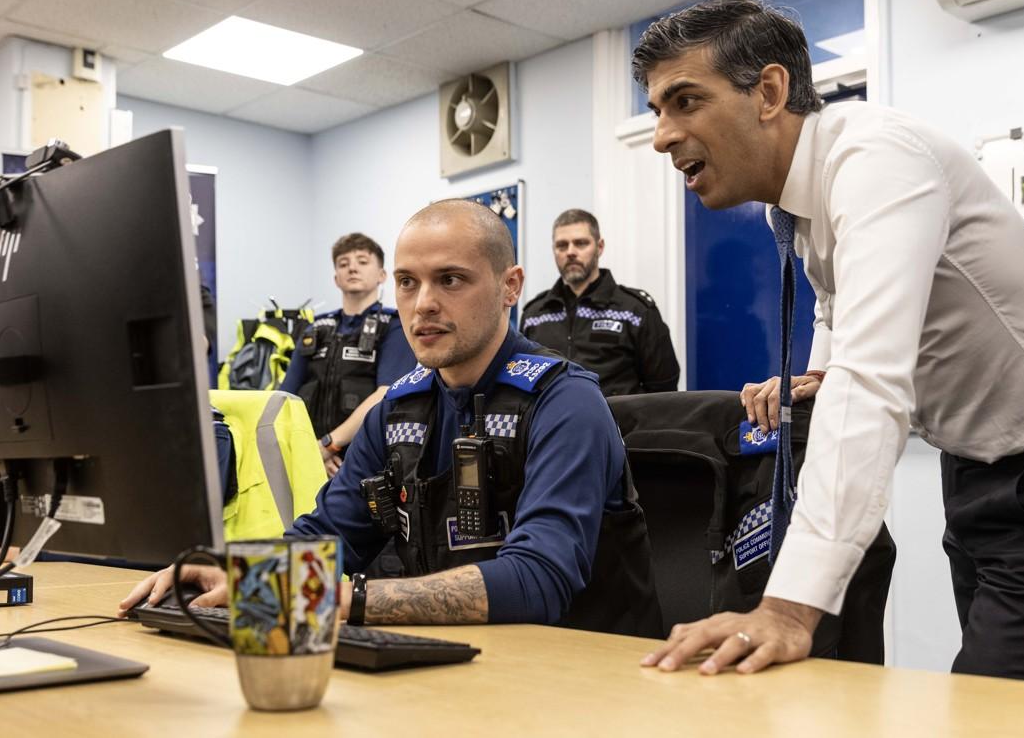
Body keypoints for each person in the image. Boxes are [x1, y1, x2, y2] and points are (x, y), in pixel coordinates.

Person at [634, 0, 1024, 684]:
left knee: (996, 707)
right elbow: (838, 303)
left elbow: (874, 384)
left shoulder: (878, 161)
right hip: (978, 466)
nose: (661, 136)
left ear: (769, 91)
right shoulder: (800, 199)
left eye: (684, 101)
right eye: (656, 112)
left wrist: (791, 609)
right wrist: (817, 373)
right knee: (1013, 698)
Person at [121, 200, 660, 635]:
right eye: (407, 281)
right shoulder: (398, 408)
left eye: (450, 279)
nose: (422, 303)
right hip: (453, 669)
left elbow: (539, 580)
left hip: (580, 682)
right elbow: (330, 537)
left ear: (510, 286)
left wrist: (339, 600)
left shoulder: (565, 402)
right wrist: (240, 574)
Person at [278, 233, 415, 477]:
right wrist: (309, 449)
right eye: (343, 263)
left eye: (362, 261)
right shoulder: (315, 328)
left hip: (362, 460)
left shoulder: (395, 326)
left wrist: (329, 444)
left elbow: (386, 394)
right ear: (336, 279)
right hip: (306, 454)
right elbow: (283, 398)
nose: (352, 267)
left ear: (382, 275)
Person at [520, 209, 679, 396]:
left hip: (619, 424)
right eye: (562, 245)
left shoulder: (635, 310)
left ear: (599, 247)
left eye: (581, 243)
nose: (570, 252)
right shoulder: (535, 314)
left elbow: (663, 391)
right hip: (551, 425)